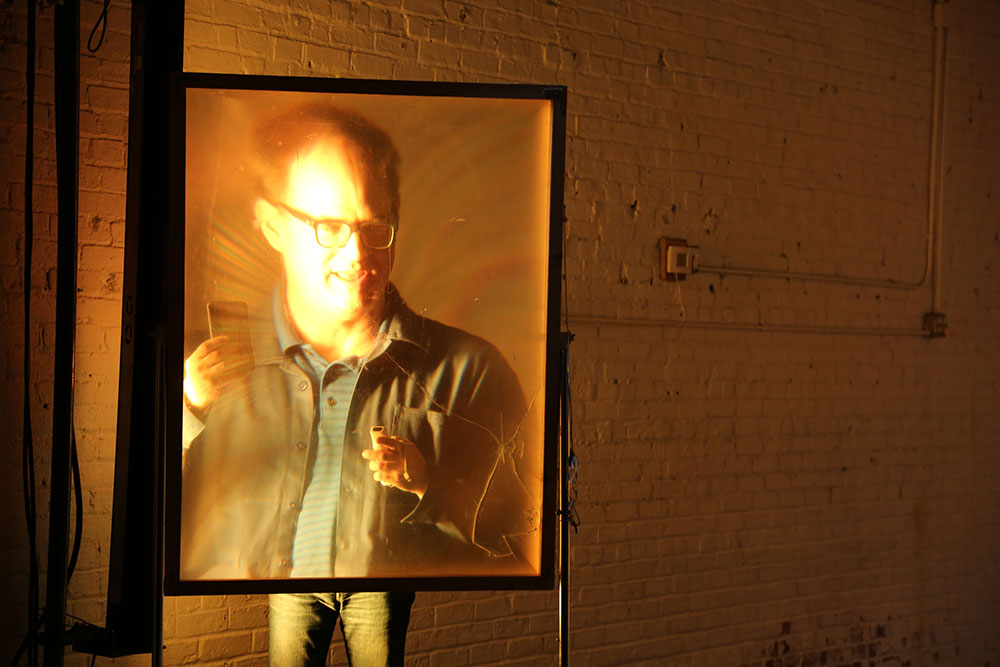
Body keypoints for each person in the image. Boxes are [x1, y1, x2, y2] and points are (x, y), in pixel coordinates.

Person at [178, 103, 538, 666]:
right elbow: (172, 520)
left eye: (374, 227)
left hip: (378, 583)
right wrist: (191, 412)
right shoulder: (223, 377)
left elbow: (523, 525)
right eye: (329, 227)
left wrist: (427, 481)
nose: (358, 255)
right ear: (272, 224)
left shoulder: (471, 368)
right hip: (296, 584)